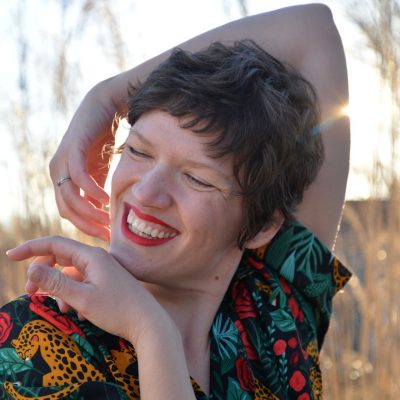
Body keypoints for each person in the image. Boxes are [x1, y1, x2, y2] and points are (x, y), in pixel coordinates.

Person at [0, 4, 351, 400]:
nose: (146, 193)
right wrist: (106, 97)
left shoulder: (273, 315)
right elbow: (314, 29)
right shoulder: (38, 340)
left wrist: (151, 331)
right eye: (138, 152)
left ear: (262, 226)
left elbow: (315, 30)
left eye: (197, 178)